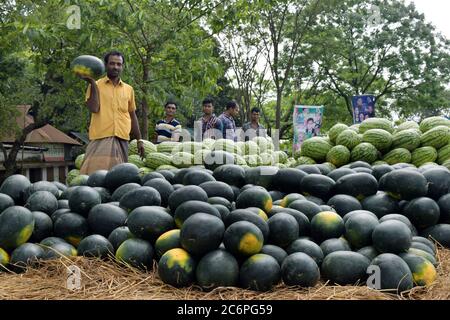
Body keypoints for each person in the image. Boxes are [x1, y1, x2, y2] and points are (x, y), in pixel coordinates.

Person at [79, 51, 144, 175]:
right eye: (112, 63)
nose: (115, 67)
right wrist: (92, 83)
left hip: (122, 138)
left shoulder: (128, 89)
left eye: (119, 64)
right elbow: (94, 108)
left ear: (122, 66)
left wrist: (139, 140)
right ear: (106, 65)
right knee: (94, 176)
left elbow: (132, 115)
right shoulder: (96, 85)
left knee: (119, 178)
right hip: (101, 137)